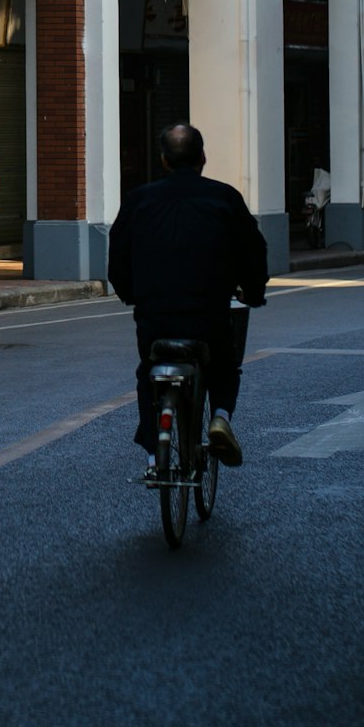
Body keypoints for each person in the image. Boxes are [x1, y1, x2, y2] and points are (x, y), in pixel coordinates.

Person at [107, 123, 269, 472]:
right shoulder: (225, 198)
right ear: (203, 157)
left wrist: (132, 294)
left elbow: (117, 258)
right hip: (209, 314)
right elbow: (253, 252)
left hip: (154, 317)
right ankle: (221, 417)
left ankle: (153, 455)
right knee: (224, 366)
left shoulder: (138, 200)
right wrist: (253, 292)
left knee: (148, 372)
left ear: (163, 160)